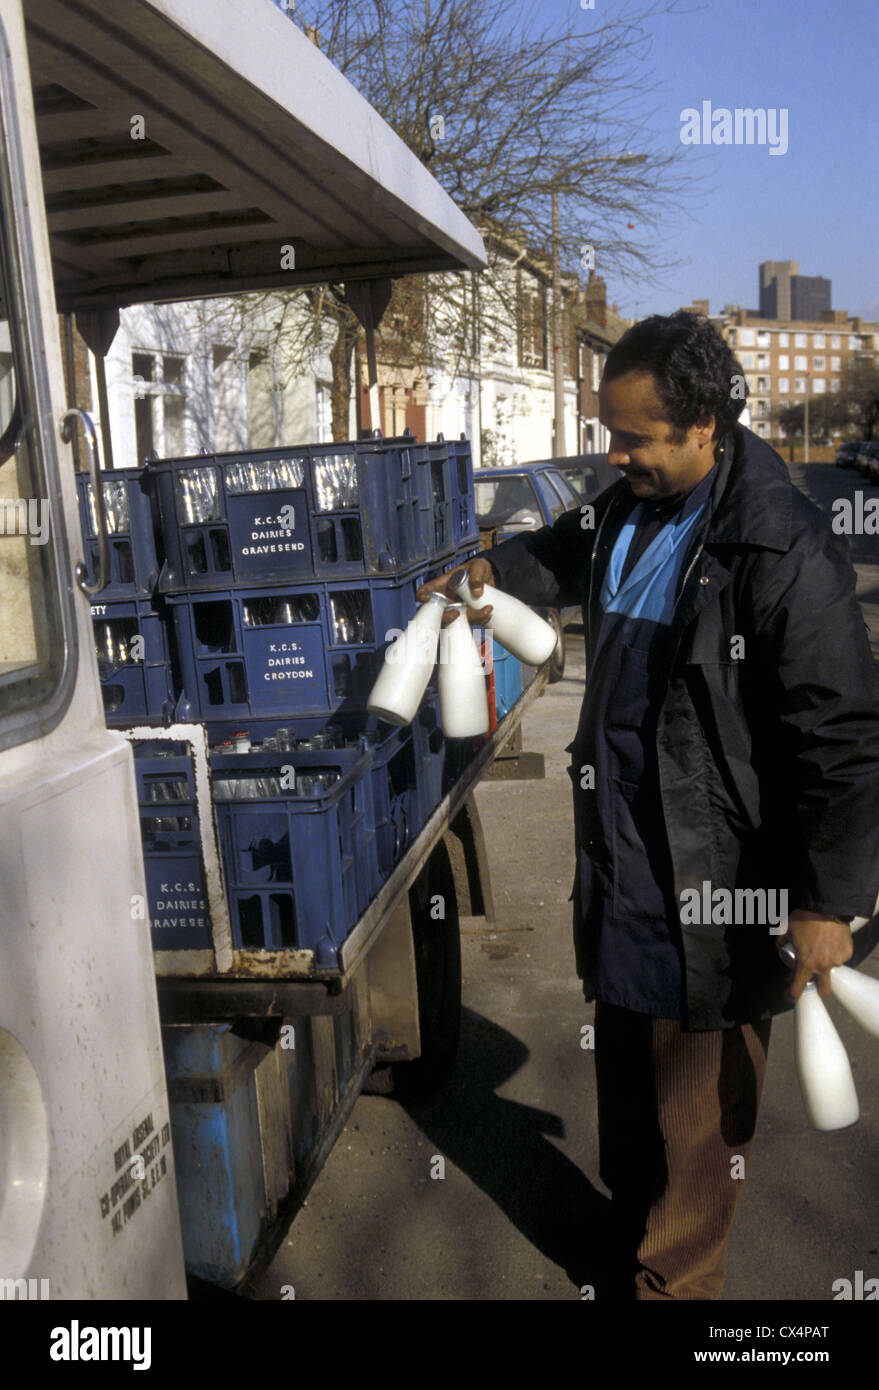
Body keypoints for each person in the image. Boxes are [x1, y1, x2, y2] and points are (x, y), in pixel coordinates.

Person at [416, 311, 879, 1300]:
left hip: (716, 878)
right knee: (630, 1078)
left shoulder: (781, 547)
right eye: (608, 432)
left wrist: (829, 901)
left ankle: (677, 1283)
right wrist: (503, 570)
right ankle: (629, 1232)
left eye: (633, 437)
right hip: (624, 856)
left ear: (704, 423)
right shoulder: (629, 504)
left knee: (699, 1113)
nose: (613, 453)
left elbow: (842, 737)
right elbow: (563, 548)